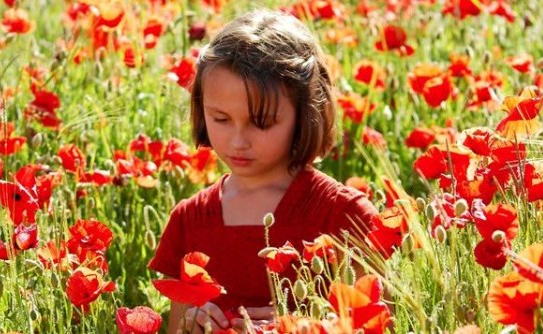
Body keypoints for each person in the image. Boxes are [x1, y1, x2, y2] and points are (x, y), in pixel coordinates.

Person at [148, 9, 378, 334]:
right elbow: (176, 329)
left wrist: (305, 325)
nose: (238, 141)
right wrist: (191, 326)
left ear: (305, 114)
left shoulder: (344, 217)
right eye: (221, 119)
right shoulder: (189, 221)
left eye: (262, 122)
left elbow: (374, 324)